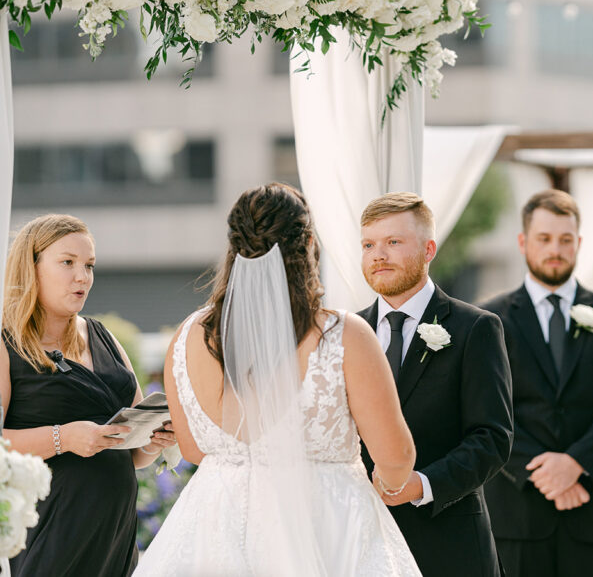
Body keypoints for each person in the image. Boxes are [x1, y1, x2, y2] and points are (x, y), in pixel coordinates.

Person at [135, 183, 420, 576]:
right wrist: (384, 484)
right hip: (329, 527)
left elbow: (194, 450)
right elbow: (396, 458)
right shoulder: (343, 335)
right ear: (306, 247)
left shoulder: (186, 338)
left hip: (213, 530)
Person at [480, 189, 593, 577]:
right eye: (544, 238)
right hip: (517, 511)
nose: (555, 249)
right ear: (523, 242)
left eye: (565, 239)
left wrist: (577, 464)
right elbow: (486, 406)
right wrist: (543, 471)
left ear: (579, 243)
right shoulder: (489, 319)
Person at [0, 214, 177, 577]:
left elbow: (133, 455)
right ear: (31, 267)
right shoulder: (4, 344)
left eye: (89, 265)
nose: (83, 276)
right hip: (50, 532)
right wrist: (63, 437)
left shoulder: (104, 337)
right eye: (67, 263)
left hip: (115, 536)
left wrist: (154, 440)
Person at [357, 192, 513, 577]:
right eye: (368, 244)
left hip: (448, 545)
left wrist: (423, 485)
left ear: (428, 249)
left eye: (393, 242)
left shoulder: (475, 327)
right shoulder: (346, 333)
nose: (379, 254)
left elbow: (492, 438)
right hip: (360, 543)